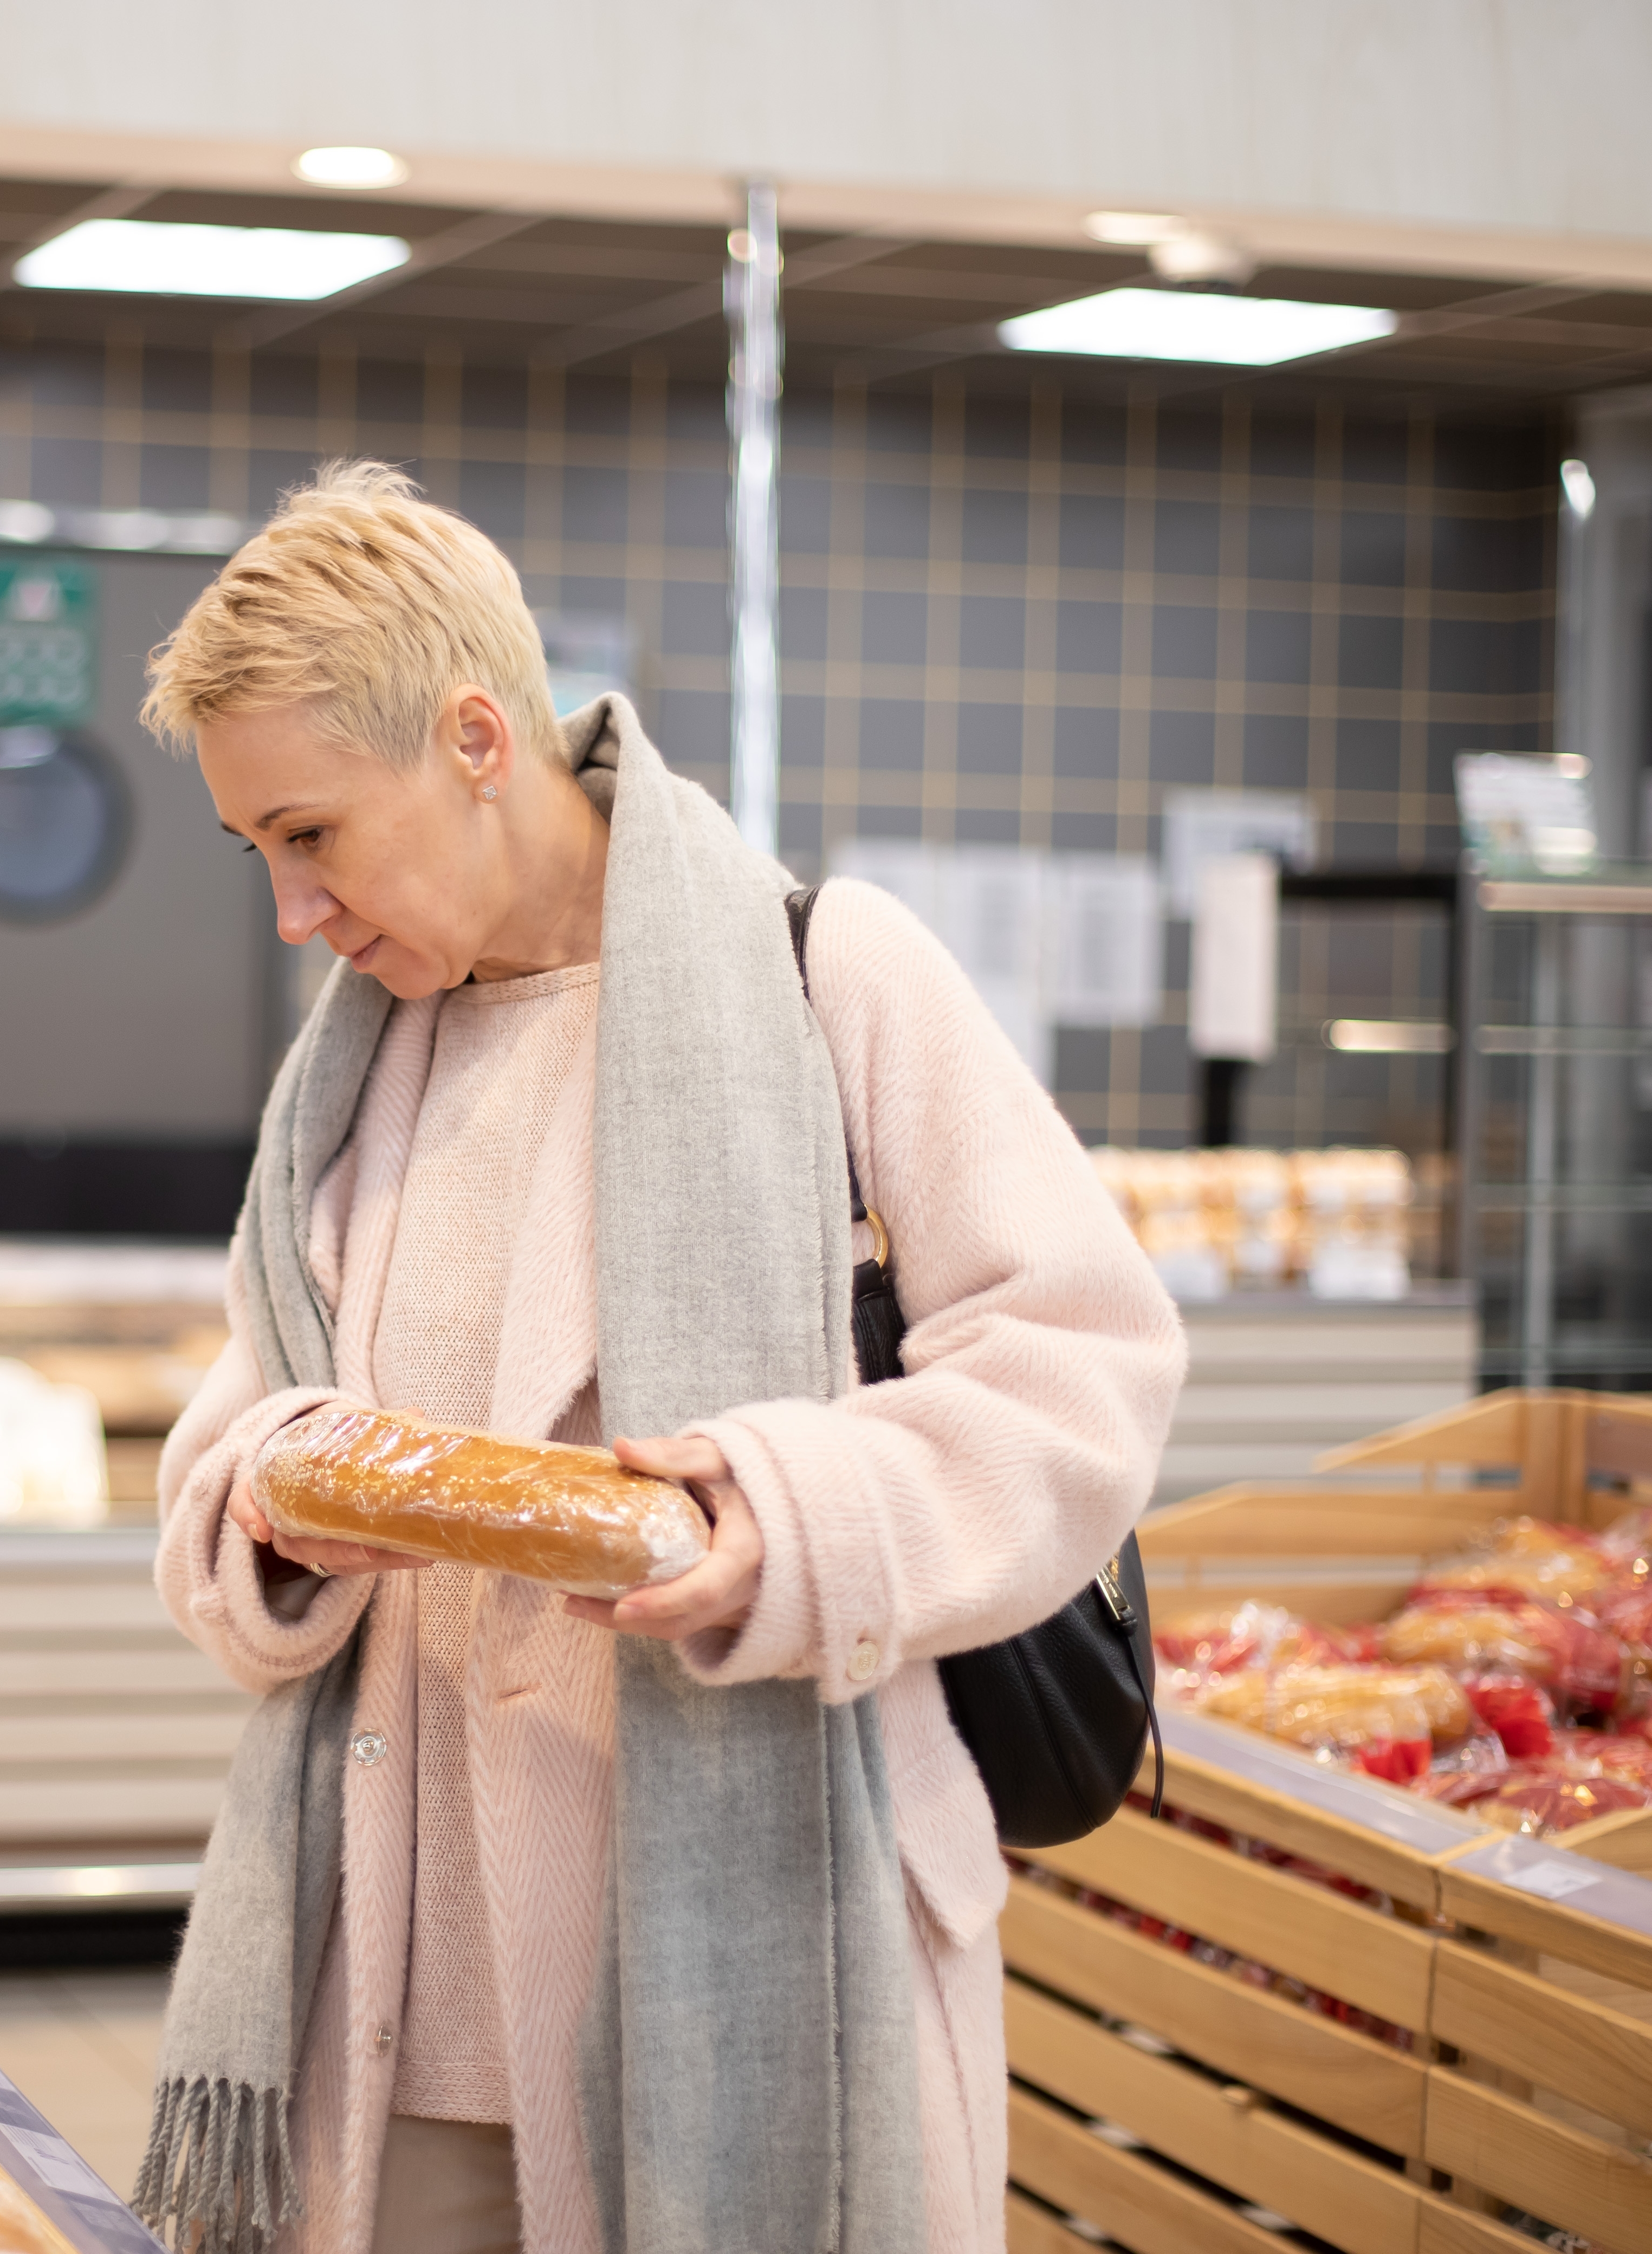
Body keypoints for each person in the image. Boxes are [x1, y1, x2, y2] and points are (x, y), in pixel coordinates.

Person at [133, 459, 1183, 2254]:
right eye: (260, 854)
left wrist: (790, 1521)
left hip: (755, 1968)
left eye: (312, 834)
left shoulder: (826, 973)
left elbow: (1081, 1368)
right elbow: (244, 1418)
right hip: (394, 2008)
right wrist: (271, 1509)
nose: (293, 915)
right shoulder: (365, 1065)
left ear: (478, 737)